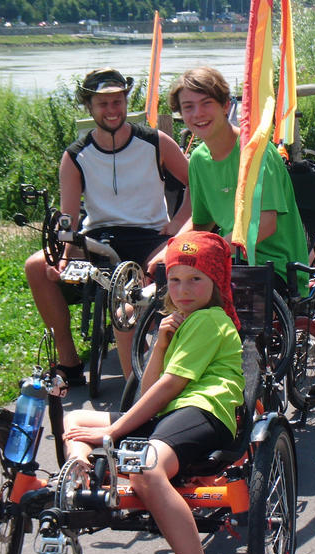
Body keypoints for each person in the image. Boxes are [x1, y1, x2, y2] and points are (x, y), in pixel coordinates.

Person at [64, 231, 244, 554]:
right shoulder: (180, 323)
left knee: (145, 469)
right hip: (174, 408)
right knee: (76, 419)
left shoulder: (208, 320)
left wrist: (112, 431)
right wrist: (161, 339)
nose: (182, 290)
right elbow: (147, 389)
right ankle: (81, 476)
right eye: (175, 280)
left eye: (195, 280)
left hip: (206, 409)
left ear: (216, 284)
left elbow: (169, 388)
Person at [24, 67, 191, 384]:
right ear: (89, 107)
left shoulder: (155, 142)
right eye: (103, 104)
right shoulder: (76, 156)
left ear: (126, 102)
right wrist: (61, 254)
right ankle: (69, 363)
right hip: (98, 242)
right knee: (36, 266)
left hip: (150, 238)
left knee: (159, 274)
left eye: (118, 102)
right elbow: (68, 218)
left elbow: (198, 184)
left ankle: (157, 363)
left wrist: (179, 222)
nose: (112, 110)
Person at [162, 66, 310, 294]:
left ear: (225, 106)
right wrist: (170, 250)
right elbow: (201, 223)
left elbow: (266, 224)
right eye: (188, 107)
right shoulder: (199, 160)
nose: (198, 113)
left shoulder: (256, 153)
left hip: (276, 266)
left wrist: (211, 251)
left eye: (206, 103)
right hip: (229, 261)